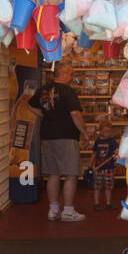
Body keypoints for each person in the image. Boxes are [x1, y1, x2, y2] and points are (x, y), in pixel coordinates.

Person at [31, 62, 87, 222]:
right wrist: (84, 132)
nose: (72, 77)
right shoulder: (68, 91)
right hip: (67, 136)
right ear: (62, 74)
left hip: (48, 135)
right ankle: (68, 211)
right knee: (71, 174)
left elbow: (31, 106)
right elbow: (75, 113)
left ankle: (53, 210)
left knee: (53, 174)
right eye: (70, 73)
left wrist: (46, 116)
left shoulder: (43, 90)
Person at [90, 119, 119, 211]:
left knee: (108, 187)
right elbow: (94, 153)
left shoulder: (112, 141)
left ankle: (108, 203)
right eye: (105, 131)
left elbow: (117, 150)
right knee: (97, 187)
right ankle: (96, 203)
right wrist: (90, 164)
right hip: (98, 168)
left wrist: (117, 151)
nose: (108, 133)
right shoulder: (97, 141)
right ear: (100, 131)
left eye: (109, 131)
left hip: (109, 168)